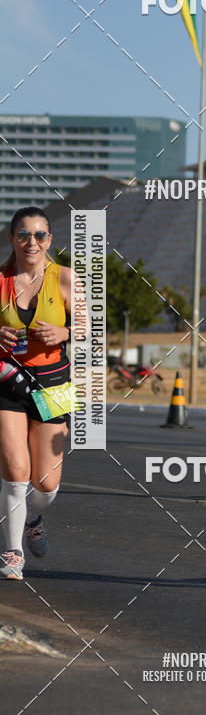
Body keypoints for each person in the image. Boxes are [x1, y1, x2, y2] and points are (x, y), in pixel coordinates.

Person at [0, 207, 74, 581]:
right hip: (6, 384)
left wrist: (66, 334)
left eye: (40, 235)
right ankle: (12, 554)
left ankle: (33, 515)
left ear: (50, 240)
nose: (32, 242)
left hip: (53, 387)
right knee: (16, 472)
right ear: (11, 238)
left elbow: (95, 332)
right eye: (24, 234)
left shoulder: (65, 279)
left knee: (45, 484)